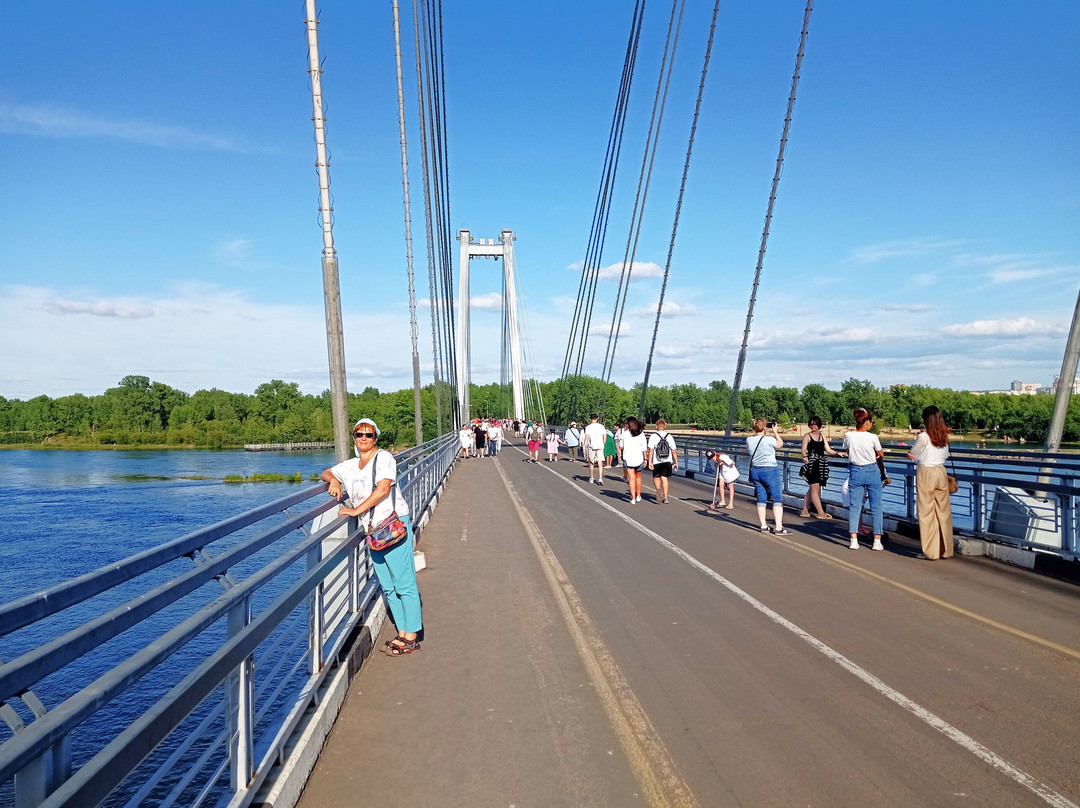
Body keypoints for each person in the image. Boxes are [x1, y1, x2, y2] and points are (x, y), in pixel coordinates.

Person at [320, 418, 421, 656]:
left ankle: (412, 636)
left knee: (404, 583)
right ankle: (402, 631)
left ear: (376, 438)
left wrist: (356, 510)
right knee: (387, 586)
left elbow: (383, 489)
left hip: (392, 525)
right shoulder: (350, 465)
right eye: (359, 435)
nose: (363, 438)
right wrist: (334, 480)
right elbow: (325, 472)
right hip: (372, 530)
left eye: (369, 435)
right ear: (354, 438)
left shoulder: (383, 457)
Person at [908, 405, 954, 559]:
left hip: (926, 472)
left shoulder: (923, 437)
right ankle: (946, 549)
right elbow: (946, 455)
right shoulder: (944, 436)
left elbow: (913, 453)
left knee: (927, 512)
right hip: (941, 471)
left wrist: (913, 456)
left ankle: (931, 552)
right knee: (943, 512)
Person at [842, 407, 891, 550]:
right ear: (867, 422)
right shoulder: (873, 437)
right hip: (872, 471)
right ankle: (877, 541)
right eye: (872, 421)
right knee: (876, 506)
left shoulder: (848, 435)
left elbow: (848, 451)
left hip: (856, 471)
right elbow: (880, 453)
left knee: (855, 506)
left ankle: (853, 540)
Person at [746, 418, 789, 535]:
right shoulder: (769, 439)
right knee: (777, 498)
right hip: (770, 470)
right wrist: (775, 431)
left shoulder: (749, 439)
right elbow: (780, 444)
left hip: (755, 470)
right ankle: (779, 527)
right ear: (764, 427)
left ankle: (763, 526)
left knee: (761, 498)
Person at [800, 416, 841, 519]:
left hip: (821, 464)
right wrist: (805, 456)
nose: (813, 426)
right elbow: (803, 449)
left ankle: (805, 511)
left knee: (813, 487)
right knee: (815, 488)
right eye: (811, 424)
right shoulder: (807, 436)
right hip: (812, 463)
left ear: (819, 425)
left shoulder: (822, 435)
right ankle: (821, 513)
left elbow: (828, 449)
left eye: (815, 424)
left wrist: (837, 453)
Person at [647, 419, 678, 503]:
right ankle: (665, 497)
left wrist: (649, 461)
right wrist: (676, 462)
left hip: (657, 461)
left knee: (656, 477)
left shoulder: (653, 436)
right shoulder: (669, 436)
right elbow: (674, 450)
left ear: (656, 426)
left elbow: (650, 450)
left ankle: (658, 489)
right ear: (665, 427)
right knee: (664, 478)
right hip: (667, 461)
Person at [620, 416, 649, 503]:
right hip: (639, 458)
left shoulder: (624, 434)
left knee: (631, 478)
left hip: (628, 458)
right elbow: (644, 448)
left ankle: (633, 498)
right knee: (638, 477)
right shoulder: (641, 433)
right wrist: (646, 459)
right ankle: (638, 495)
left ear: (629, 424)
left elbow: (621, 446)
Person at [583, 414, 607, 485]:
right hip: (600, 446)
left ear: (590, 419)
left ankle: (592, 478)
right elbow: (605, 437)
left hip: (592, 446)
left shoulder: (588, 427)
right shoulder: (601, 426)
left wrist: (584, 446)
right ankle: (600, 478)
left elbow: (586, 437)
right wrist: (603, 444)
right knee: (600, 462)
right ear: (597, 419)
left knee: (591, 462)